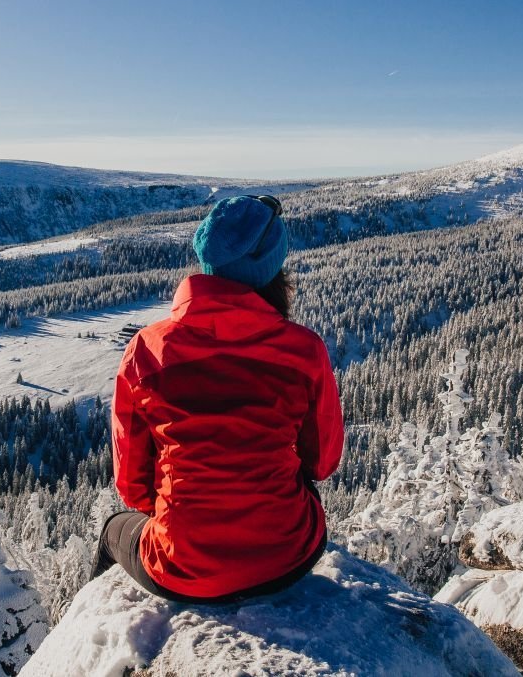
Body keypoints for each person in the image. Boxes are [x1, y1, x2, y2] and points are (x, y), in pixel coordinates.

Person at [93, 194, 344, 603]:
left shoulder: (146, 350)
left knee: (111, 533)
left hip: (180, 567)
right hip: (287, 555)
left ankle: (87, 635)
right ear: (273, 269)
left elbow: (133, 487)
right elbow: (322, 462)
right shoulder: (303, 350)